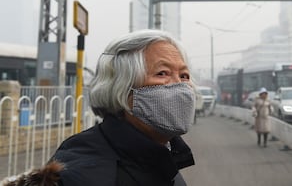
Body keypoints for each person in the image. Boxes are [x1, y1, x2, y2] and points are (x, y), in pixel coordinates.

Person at [3, 29, 196, 186]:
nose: (180, 86)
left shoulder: (163, 157)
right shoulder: (84, 174)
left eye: (184, 76)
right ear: (121, 87)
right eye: (162, 73)